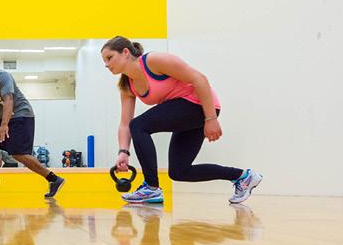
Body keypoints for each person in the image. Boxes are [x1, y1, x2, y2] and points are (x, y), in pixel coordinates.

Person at [101, 36, 262, 204]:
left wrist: (211, 118)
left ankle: (151, 187)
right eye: (104, 60)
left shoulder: (153, 61)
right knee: (179, 171)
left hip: (201, 105)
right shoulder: (127, 85)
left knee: (140, 125)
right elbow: (125, 124)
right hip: (185, 111)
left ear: (125, 52)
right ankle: (243, 177)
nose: (106, 64)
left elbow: (199, 79)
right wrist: (123, 152)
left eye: (109, 57)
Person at [0, 53, 65, 198]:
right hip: (2, 118)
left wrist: (5, 125)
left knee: (17, 153)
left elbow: (8, 100)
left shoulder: (1, 76)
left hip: (21, 114)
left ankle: (54, 179)